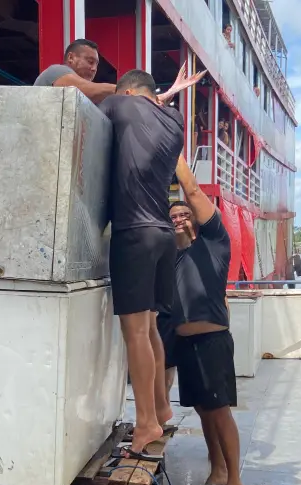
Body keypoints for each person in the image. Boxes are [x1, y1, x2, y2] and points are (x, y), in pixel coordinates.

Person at [99, 69, 203, 460]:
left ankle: (146, 422)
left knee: (135, 333)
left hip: (134, 234)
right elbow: (152, 105)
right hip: (162, 234)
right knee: (152, 327)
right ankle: (160, 407)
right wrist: (167, 94)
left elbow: (86, 117)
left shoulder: (117, 105)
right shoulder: (174, 121)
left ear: (126, 92)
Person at [169, 157, 245, 485]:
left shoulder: (214, 243)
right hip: (185, 344)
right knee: (202, 410)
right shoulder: (170, 258)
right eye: (172, 217)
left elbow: (194, 191)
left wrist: (174, 151)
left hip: (212, 343)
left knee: (219, 411)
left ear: (197, 219)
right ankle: (217, 469)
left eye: (185, 214)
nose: (179, 219)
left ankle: (235, 482)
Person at [33, 39, 117, 104]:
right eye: (90, 62)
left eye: (96, 64)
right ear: (71, 58)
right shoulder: (57, 70)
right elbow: (84, 89)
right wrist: (120, 89)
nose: (94, 69)